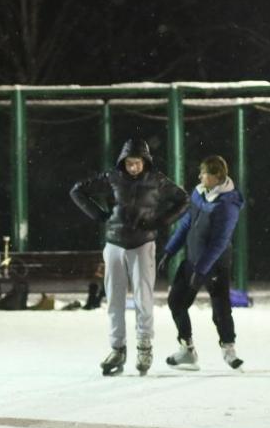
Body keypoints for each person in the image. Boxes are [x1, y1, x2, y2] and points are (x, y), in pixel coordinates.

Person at [70, 139, 188, 376]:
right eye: (129, 163)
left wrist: (159, 221)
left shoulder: (157, 180)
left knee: (143, 298)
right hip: (114, 243)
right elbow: (77, 190)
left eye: (137, 163)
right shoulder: (112, 178)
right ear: (122, 162)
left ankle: (144, 346)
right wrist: (98, 214)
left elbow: (184, 199)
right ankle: (117, 348)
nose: (133, 167)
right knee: (114, 299)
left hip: (143, 244)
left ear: (146, 162)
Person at [159, 154, 246, 370]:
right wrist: (170, 251)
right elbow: (187, 223)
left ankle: (229, 349)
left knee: (220, 308)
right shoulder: (199, 193)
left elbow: (219, 242)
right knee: (176, 302)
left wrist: (202, 270)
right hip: (193, 260)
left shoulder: (228, 203)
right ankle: (187, 349)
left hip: (215, 264)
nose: (199, 176)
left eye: (204, 173)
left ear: (217, 176)